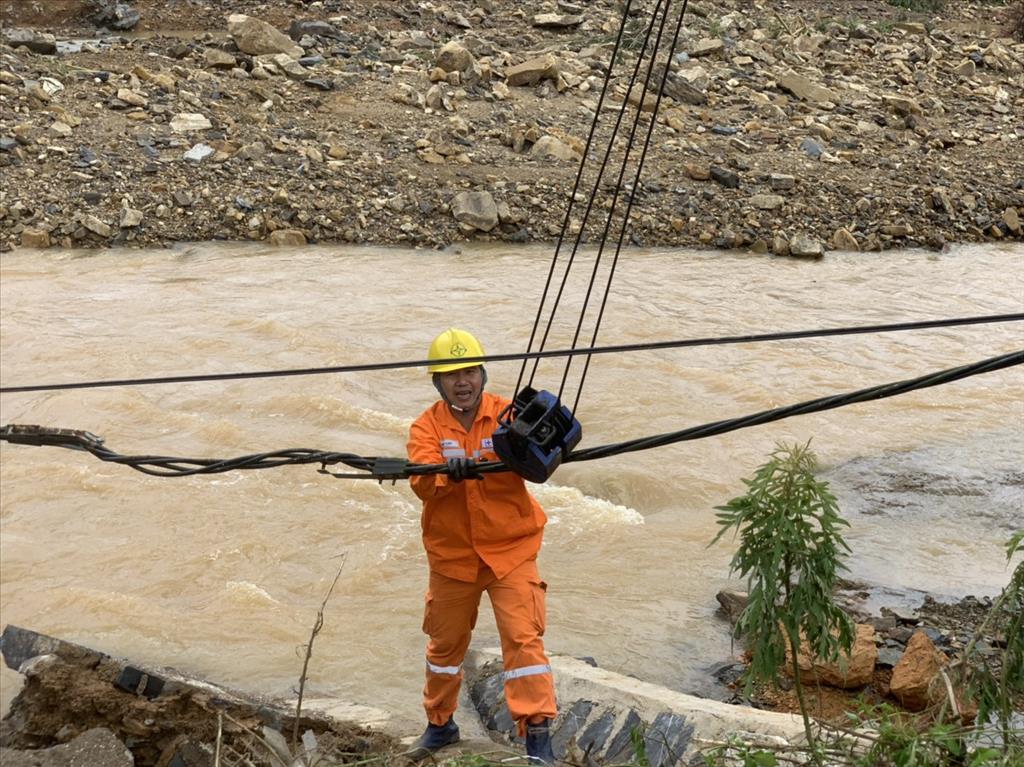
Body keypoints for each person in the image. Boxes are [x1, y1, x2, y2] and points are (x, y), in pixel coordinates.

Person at [406, 327, 557, 764]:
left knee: (523, 642)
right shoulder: (426, 427)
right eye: (451, 374)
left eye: (469, 370)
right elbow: (420, 481)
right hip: (453, 559)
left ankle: (538, 740)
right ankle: (440, 725)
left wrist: (545, 435)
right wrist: (443, 470)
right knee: (444, 647)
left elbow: (543, 459)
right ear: (438, 382)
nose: (462, 381)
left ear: (482, 374)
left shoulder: (511, 415)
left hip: (511, 551)